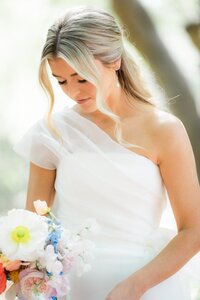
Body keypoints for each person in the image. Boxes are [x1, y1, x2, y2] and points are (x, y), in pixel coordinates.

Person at [13, 5, 200, 300]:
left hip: (143, 286)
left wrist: (134, 287)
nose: (73, 91)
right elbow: (30, 226)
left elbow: (193, 230)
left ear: (114, 61)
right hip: (69, 289)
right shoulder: (51, 131)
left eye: (81, 78)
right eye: (61, 81)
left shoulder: (165, 130)